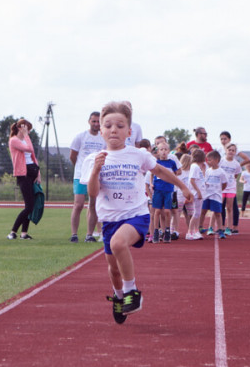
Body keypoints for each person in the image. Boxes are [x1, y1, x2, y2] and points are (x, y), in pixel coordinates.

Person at [80, 101, 192, 323]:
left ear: (129, 132)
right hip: (109, 219)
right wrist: (95, 171)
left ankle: (132, 292)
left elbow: (160, 170)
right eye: (108, 125)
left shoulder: (138, 154)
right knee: (113, 269)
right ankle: (120, 296)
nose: (114, 130)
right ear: (100, 130)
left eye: (120, 126)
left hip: (136, 214)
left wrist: (183, 186)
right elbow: (92, 193)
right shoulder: (94, 159)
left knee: (119, 244)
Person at [69, 111, 105, 243]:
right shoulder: (80, 137)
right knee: (78, 205)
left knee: (93, 205)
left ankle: (89, 234)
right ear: (89, 121)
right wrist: (81, 168)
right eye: (93, 121)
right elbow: (73, 156)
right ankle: (74, 234)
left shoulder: (103, 138)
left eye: (98, 121)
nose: (96, 124)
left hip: (95, 176)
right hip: (80, 175)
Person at [7, 119, 40, 240]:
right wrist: (26, 135)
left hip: (32, 172)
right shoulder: (14, 140)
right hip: (23, 174)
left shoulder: (25, 139)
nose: (28, 132)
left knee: (29, 205)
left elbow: (33, 157)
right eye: (27, 129)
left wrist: (38, 173)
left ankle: (24, 233)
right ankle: (13, 231)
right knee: (29, 206)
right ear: (20, 128)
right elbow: (29, 149)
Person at [151, 142, 178, 243]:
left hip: (168, 189)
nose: (163, 151)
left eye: (165, 149)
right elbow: (151, 174)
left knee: (167, 211)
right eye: (161, 149)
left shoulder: (171, 163)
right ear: (158, 151)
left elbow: (175, 175)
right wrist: (151, 184)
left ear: (169, 151)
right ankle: (156, 232)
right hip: (158, 189)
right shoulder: (155, 162)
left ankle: (167, 231)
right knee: (157, 211)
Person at [199, 150, 227, 238]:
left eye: (210, 160)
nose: (208, 162)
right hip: (207, 195)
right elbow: (205, 180)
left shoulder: (221, 172)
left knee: (217, 213)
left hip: (216, 196)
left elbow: (224, 183)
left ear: (216, 160)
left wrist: (219, 190)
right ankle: (200, 227)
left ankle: (220, 230)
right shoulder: (208, 171)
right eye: (207, 160)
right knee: (203, 211)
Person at [219, 143, 242, 236]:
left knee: (229, 208)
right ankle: (221, 226)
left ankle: (228, 228)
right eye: (230, 150)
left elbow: (236, 175)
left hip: (231, 187)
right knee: (220, 207)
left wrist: (230, 181)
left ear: (235, 152)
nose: (231, 152)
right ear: (226, 151)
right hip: (221, 187)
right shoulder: (221, 161)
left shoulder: (236, 164)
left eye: (233, 150)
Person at [186, 148, 207, 240]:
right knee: (196, 213)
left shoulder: (197, 167)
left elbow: (200, 180)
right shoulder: (194, 167)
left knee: (197, 213)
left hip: (199, 192)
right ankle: (190, 232)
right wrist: (198, 192)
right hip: (196, 193)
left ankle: (195, 231)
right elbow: (192, 180)